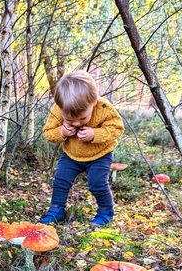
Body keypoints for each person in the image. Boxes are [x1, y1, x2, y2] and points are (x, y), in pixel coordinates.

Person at [40, 70, 124, 227]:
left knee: (97, 182)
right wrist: (62, 132)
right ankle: (56, 210)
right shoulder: (59, 109)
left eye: (83, 118)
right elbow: (48, 133)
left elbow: (117, 128)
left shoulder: (104, 107)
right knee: (61, 180)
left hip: (100, 154)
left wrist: (95, 134)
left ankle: (106, 211)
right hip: (71, 154)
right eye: (70, 120)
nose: (77, 124)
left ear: (93, 102)